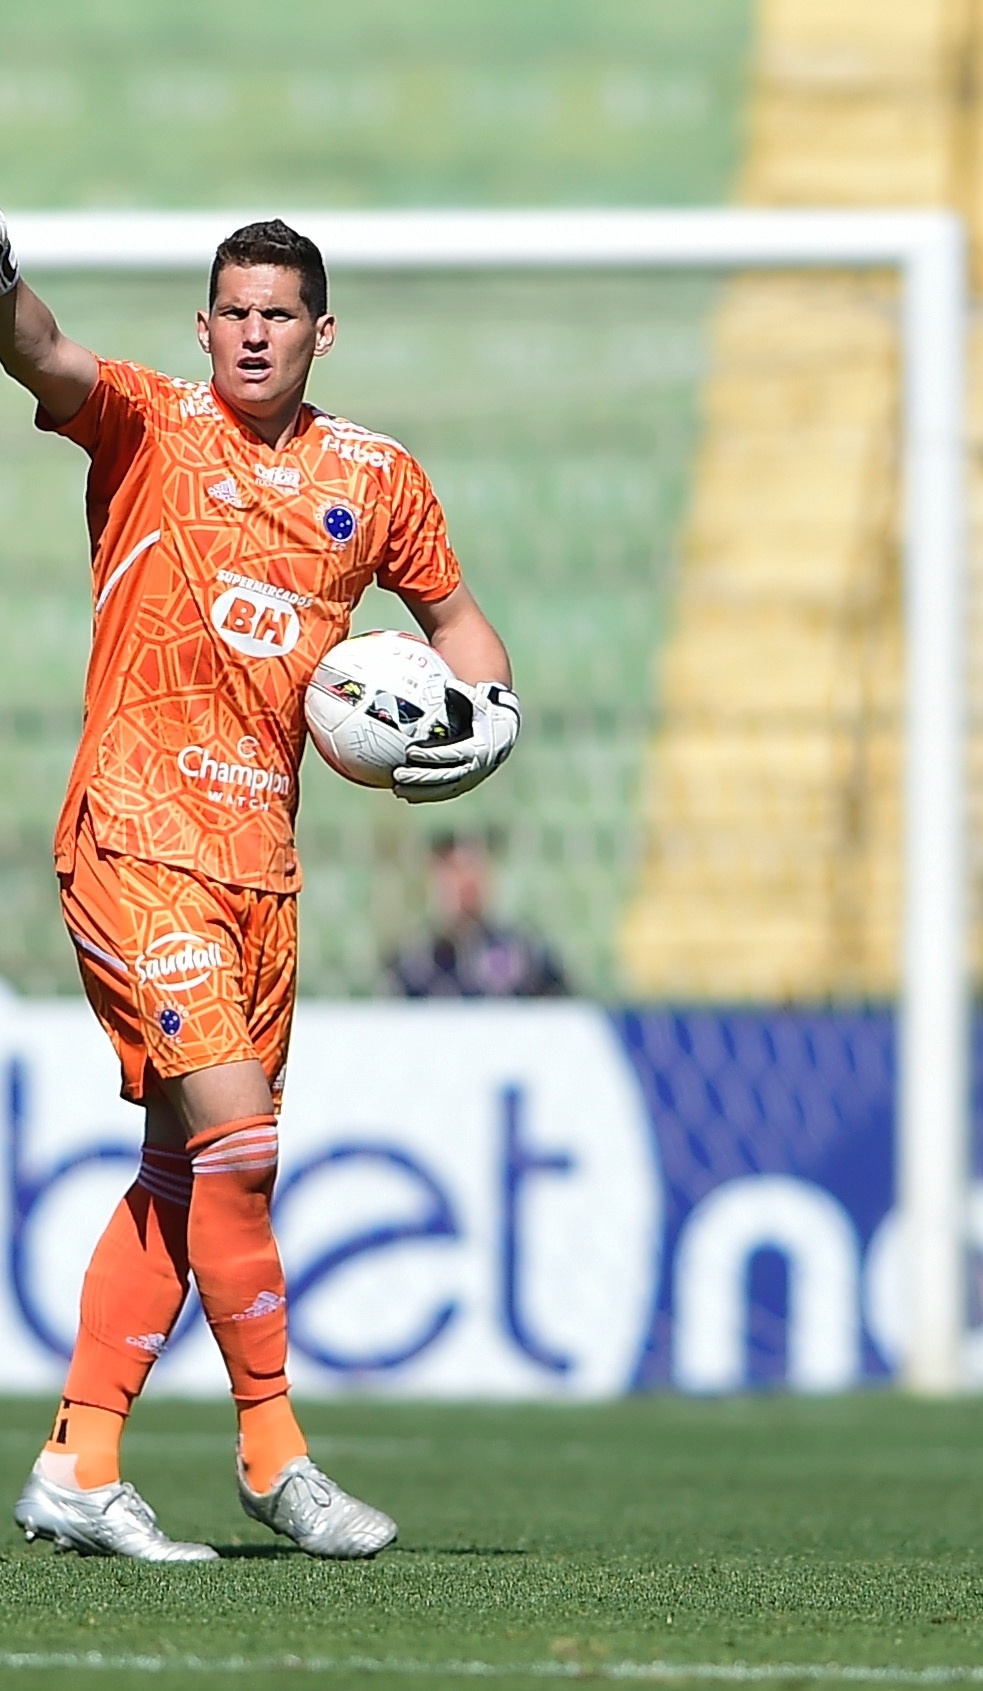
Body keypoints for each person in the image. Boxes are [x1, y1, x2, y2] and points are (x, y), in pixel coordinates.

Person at [0, 214, 521, 1560]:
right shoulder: (151, 427)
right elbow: (45, 353)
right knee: (239, 1145)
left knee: (188, 1169)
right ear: (202, 322)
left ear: (320, 331)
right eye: (231, 309)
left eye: (278, 314)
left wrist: (489, 710)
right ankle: (277, 1454)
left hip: (262, 870)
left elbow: (453, 617)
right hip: (135, 831)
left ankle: (78, 1458)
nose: (251, 330)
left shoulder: (376, 476)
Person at [388, 831, 573, 998]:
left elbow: (563, 1012)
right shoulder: (413, 958)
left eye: (473, 866)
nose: (466, 880)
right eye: (454, 869)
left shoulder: (524, 951)